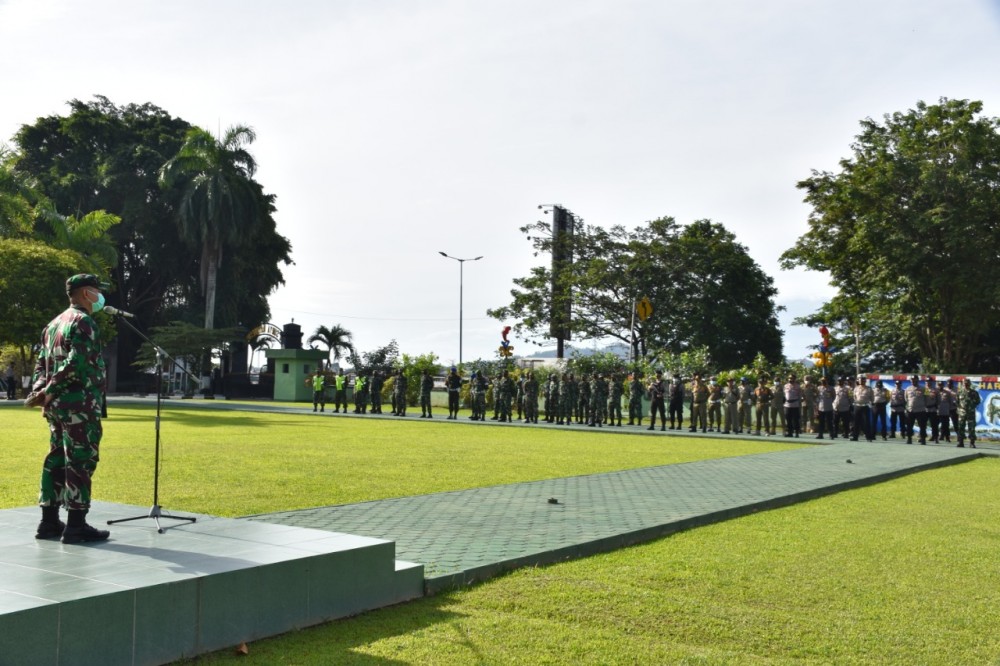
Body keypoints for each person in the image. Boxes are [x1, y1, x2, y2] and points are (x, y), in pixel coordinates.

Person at [30, 273, 110, 544]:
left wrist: (41, 391)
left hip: (57, 407)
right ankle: (76, 525)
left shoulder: (53, 324)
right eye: (97, 291)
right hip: (79, 403)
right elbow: (76, 363)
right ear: (87, 293)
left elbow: (41, 364)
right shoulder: (83, 321)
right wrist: (49, 391)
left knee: (56, 459)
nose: (100, 296)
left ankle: (49, 522)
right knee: (80, 460)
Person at [956, 378, 980, 448]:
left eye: (967, 384)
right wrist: (960, 410)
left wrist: (972, 406)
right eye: (964, 384)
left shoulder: (974, 393)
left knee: (971, 428)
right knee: (961, 427)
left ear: (969, 384)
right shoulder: (960, 392)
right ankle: (961, 442)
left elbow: (977, 401)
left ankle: (972, 442)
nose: (966, 385)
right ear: (963, 384)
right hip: (962, 413)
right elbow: (957, 402)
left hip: (971, 413)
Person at [905, 376, 928, 445]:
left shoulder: (924, 388)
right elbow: (906, 399)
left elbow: (927, 398)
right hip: (911, 410)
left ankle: (923, 439)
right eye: (911, 380)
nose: (913, 381)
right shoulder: (907, 389)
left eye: (914, 379)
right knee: (909, 425)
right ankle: (909, 439)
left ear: (917, 380)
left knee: (922, 426)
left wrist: (923, 406)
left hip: (920, 410)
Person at [852, 375, 874, 441]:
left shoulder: (869, 388)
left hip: (865, 406)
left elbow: (872, 398)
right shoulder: (856, 388)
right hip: (857, 406)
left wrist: (869, 404)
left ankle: (869, 437)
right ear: (858, 380)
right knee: (856, 422)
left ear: (865, 380)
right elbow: (854, 397)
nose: (861, 381)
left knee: (866, 422)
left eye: (862, 379)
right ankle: (855, 437)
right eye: (860, 379)